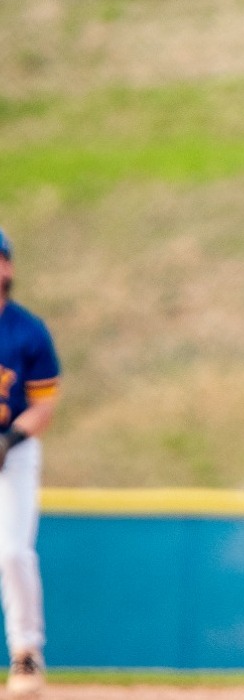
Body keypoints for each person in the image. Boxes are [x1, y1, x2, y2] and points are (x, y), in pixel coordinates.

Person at [0, 227, 60, 696]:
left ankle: (26, 653)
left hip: (13, 453)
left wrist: (10, 439)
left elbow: (44, 403)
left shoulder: (26, 330)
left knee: (14, 552)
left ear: (9, 267)